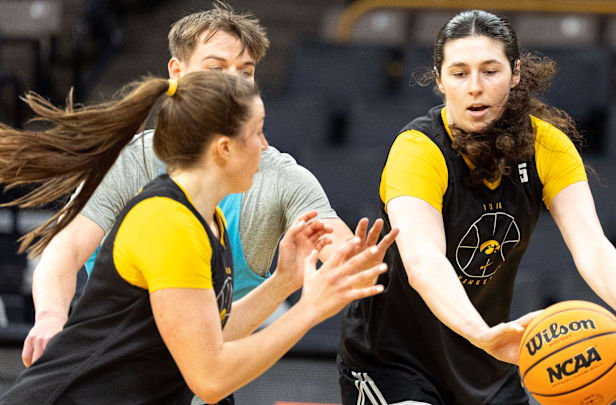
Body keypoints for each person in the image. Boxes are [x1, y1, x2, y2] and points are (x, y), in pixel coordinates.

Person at [338, 10, 616, 405]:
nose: (475, 87)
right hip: (395, 358)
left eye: (490, 71)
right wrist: (478, 332)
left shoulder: (546, 146)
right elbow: (424, 261)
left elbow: (591, 244)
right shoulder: (417, 150)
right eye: (460, 73)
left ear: (515, 73)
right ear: (440, 78)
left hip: (488, 357)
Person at [0, 71, 395, 404]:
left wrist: (283, 283)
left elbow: (209, 337)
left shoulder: (210, 219)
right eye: (257, 133)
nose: (265, 146)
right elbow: (210, 379)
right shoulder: (168, 222)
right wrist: (308, 310)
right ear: (224, 149)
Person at [22, 1, 362, 368]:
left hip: (202, 376)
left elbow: (344, 256)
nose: (232, 82)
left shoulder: (281, 177)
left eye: (244, 72)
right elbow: (66, 249)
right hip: (107, 376)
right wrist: (50, 319)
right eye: (215, 67)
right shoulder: (133, 163)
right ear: (177, 72)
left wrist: (355, 266)